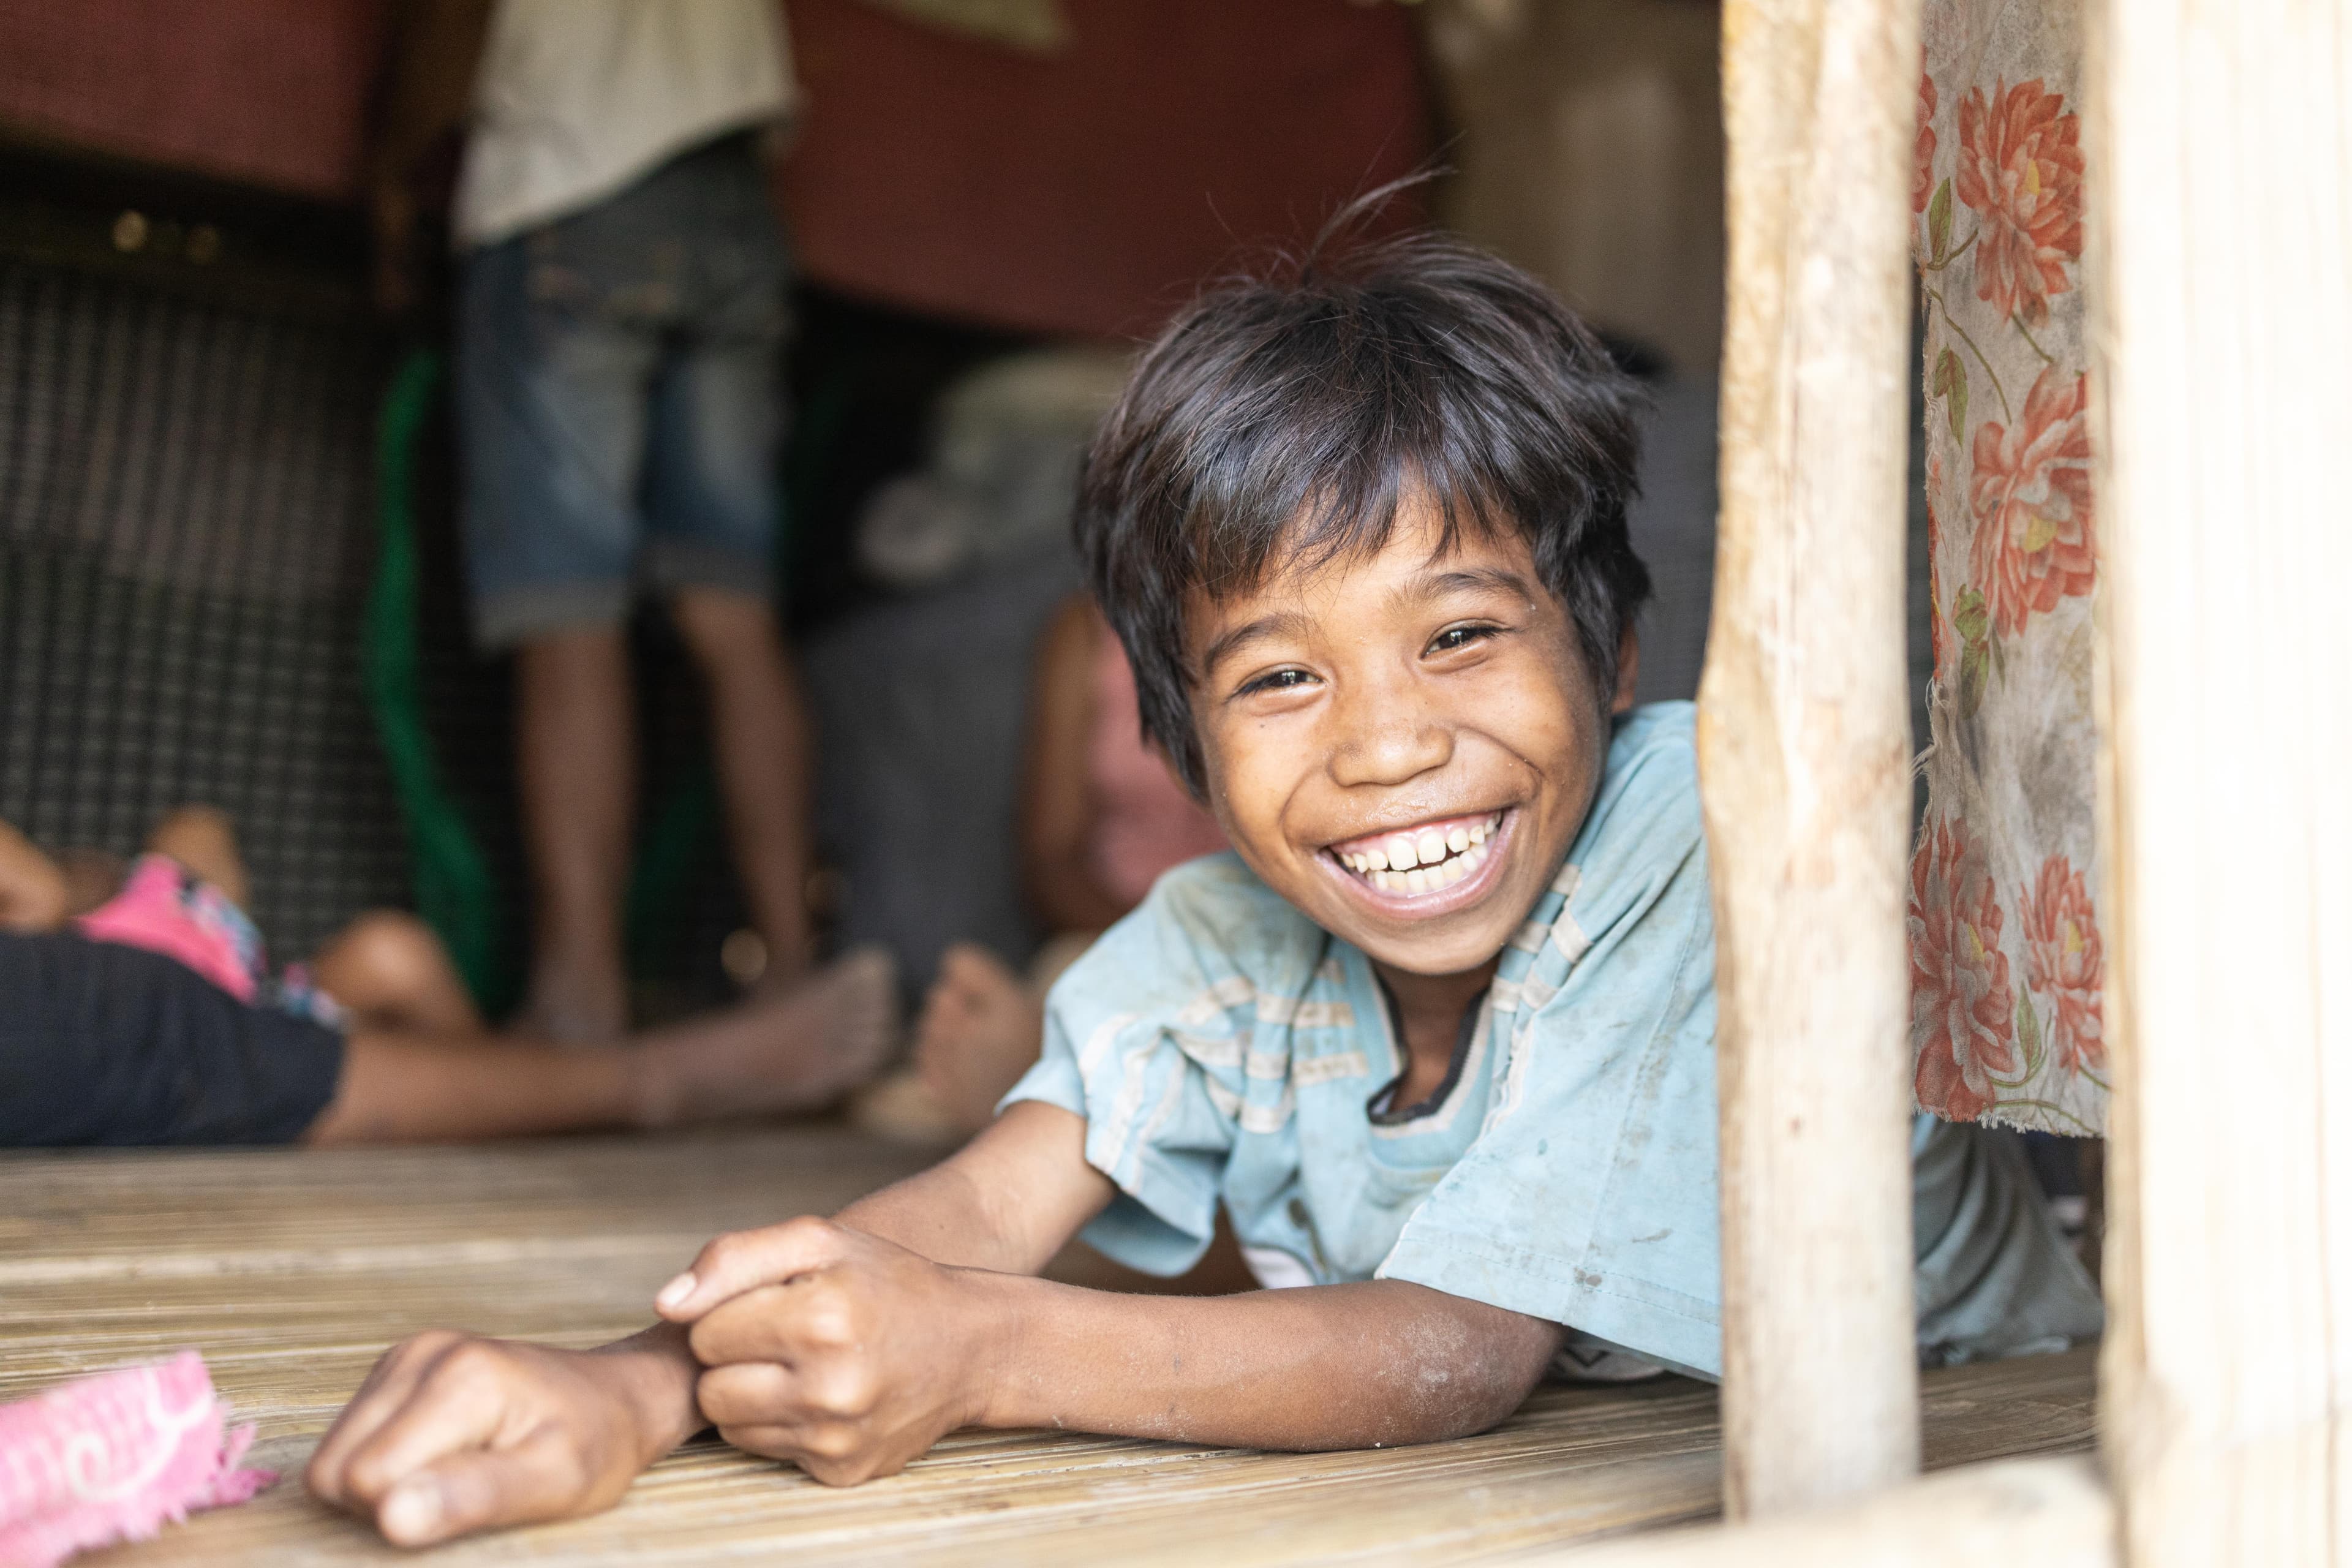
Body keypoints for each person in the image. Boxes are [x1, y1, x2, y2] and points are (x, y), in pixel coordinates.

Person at [305, 226, 2103, 1548]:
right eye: (1277, 675)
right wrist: (621, 1386)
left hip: (1994, 1429)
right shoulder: (1215, 939)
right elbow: (975, 1215)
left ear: (1611, 652)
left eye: (1460, 633)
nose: (1385, 745)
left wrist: (980, 1352)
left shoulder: (1690, 842)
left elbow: (1450, 1353)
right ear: (1185, 752)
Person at [373, 0, 821, 1041]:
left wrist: (391, 169)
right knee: (734, 615)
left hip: (574, 184)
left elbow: (451, 29)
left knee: (569, 613)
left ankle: (581, 994)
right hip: (733, 192)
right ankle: (795, 979)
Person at [0, 810, 894, 1147]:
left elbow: (58, 884)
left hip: (232, 987)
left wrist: (143, 885)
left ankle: (498, 1081)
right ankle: (593, 1088)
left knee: (395, 948)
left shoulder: (156, 882)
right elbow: (35, 893)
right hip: (207, 1023)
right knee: (385, 956)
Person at [876, 591, 1227, 1137]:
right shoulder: (1087, 630)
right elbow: (1052, 861)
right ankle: (1065, 1089)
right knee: (1078, 984)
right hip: (1118, 932)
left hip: (1277, 925)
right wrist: (1169, 941)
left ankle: (1049, 1093)